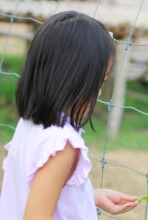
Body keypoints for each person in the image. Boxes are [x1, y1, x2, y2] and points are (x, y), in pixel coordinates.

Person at [0, 11, 139, 220]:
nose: (99, 92)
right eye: (98, 82)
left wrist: (90, 196)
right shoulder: (61, 144)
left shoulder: (29, 125)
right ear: (74, 79)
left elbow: (38, 194)